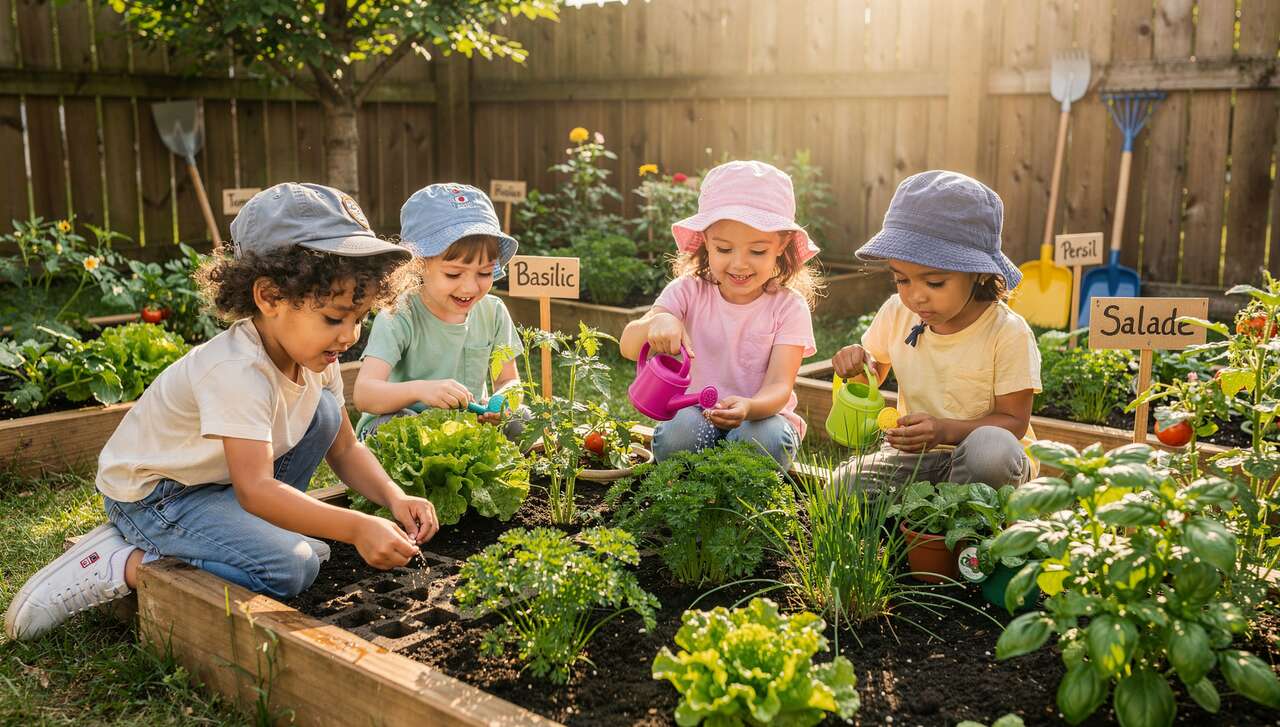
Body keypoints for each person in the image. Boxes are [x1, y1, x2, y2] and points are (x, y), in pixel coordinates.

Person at [6, 183, 440, 641]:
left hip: (219, 483)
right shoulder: (237, 370)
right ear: (269, 296)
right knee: (291, 568)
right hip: (159, 495)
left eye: (360, 318)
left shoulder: (316, 357)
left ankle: (237, 536)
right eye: (334, 318)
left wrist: (393, 498)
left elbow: (347, 448)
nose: (350, 336)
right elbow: (255, 491)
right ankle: (130, 562)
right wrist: (354, 527)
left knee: (326, 416)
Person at [831, 170, 1041, 489]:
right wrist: (856, 366)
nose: (915, 295)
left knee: (991, 454)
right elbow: (871, 377)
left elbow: (1013, 423)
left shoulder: (1006, 332)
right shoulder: (897, 313)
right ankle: (929, 513)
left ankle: (972, 524)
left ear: (979, 274)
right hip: (916, 457)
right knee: (843, 487)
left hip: (982, 457)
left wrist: (944, 431)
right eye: (901, 279)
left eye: (934, 282)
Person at [620, 160, 821, 467]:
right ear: (706, 241)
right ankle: (694, 484)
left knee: (763, 439)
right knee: (679, 435)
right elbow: (627, 346)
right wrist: (657, 321)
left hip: (761, 416)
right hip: (694, 410)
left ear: (781, 245)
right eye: (724, 249)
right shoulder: (687, 291)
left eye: (757, 251)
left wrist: (750, 407)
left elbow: (780, 385)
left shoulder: (788, 306)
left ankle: (738, 488)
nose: (739, 264)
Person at [352, 183, 523, 440]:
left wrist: (502, 401)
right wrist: (421, 391)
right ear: (417, 266)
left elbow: (509, 381)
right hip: (403, 421)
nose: (470, 287)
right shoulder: (399, 314)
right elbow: (365, 394)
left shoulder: (493, 312)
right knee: (400, 428)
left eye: (485, 273)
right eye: (453, 274)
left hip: (469, 425)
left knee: (524, 419)